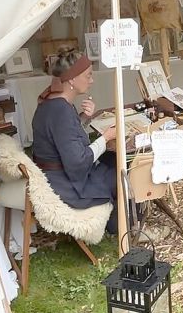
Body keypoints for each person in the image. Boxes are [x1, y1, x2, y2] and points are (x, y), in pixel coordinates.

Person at [31, 50, 123, 234]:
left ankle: (118, 220)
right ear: (72, 79)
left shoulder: (53, 102)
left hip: (57, 174)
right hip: (66, 184)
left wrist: (83, 118)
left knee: (114, 160)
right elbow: (78, 161)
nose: (92, 80)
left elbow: (62, 134)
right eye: (88, 75)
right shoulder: (60, 110)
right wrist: (105, 138)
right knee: (122, 173)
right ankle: (120, 226)